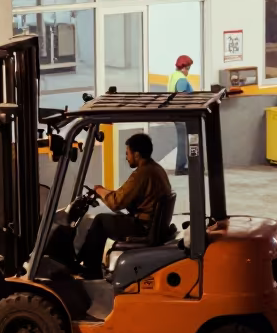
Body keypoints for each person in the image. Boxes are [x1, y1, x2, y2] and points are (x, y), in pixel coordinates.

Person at [79, 132, 172, 276]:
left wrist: (99, 190)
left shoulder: (142, 174)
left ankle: (91, 270)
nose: (126, 157)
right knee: (109, 217)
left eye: (127, 153)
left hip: (142, 227)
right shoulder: (156, 169)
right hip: (152, 225)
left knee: (101, 221)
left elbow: (116, 202)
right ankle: (88, 263)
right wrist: (105, 192)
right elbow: (123, 195)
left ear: (137, 154)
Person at [168, 54, 194, 175]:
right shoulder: (182, 79)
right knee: (182, 140)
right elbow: (182, 96)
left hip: (175, 111)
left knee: (182, 139)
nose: (188, 71)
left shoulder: (173, 76)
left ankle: (181, 166)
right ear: (184, 68)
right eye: (188, 68)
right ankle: (180, 167)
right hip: (181, 112)